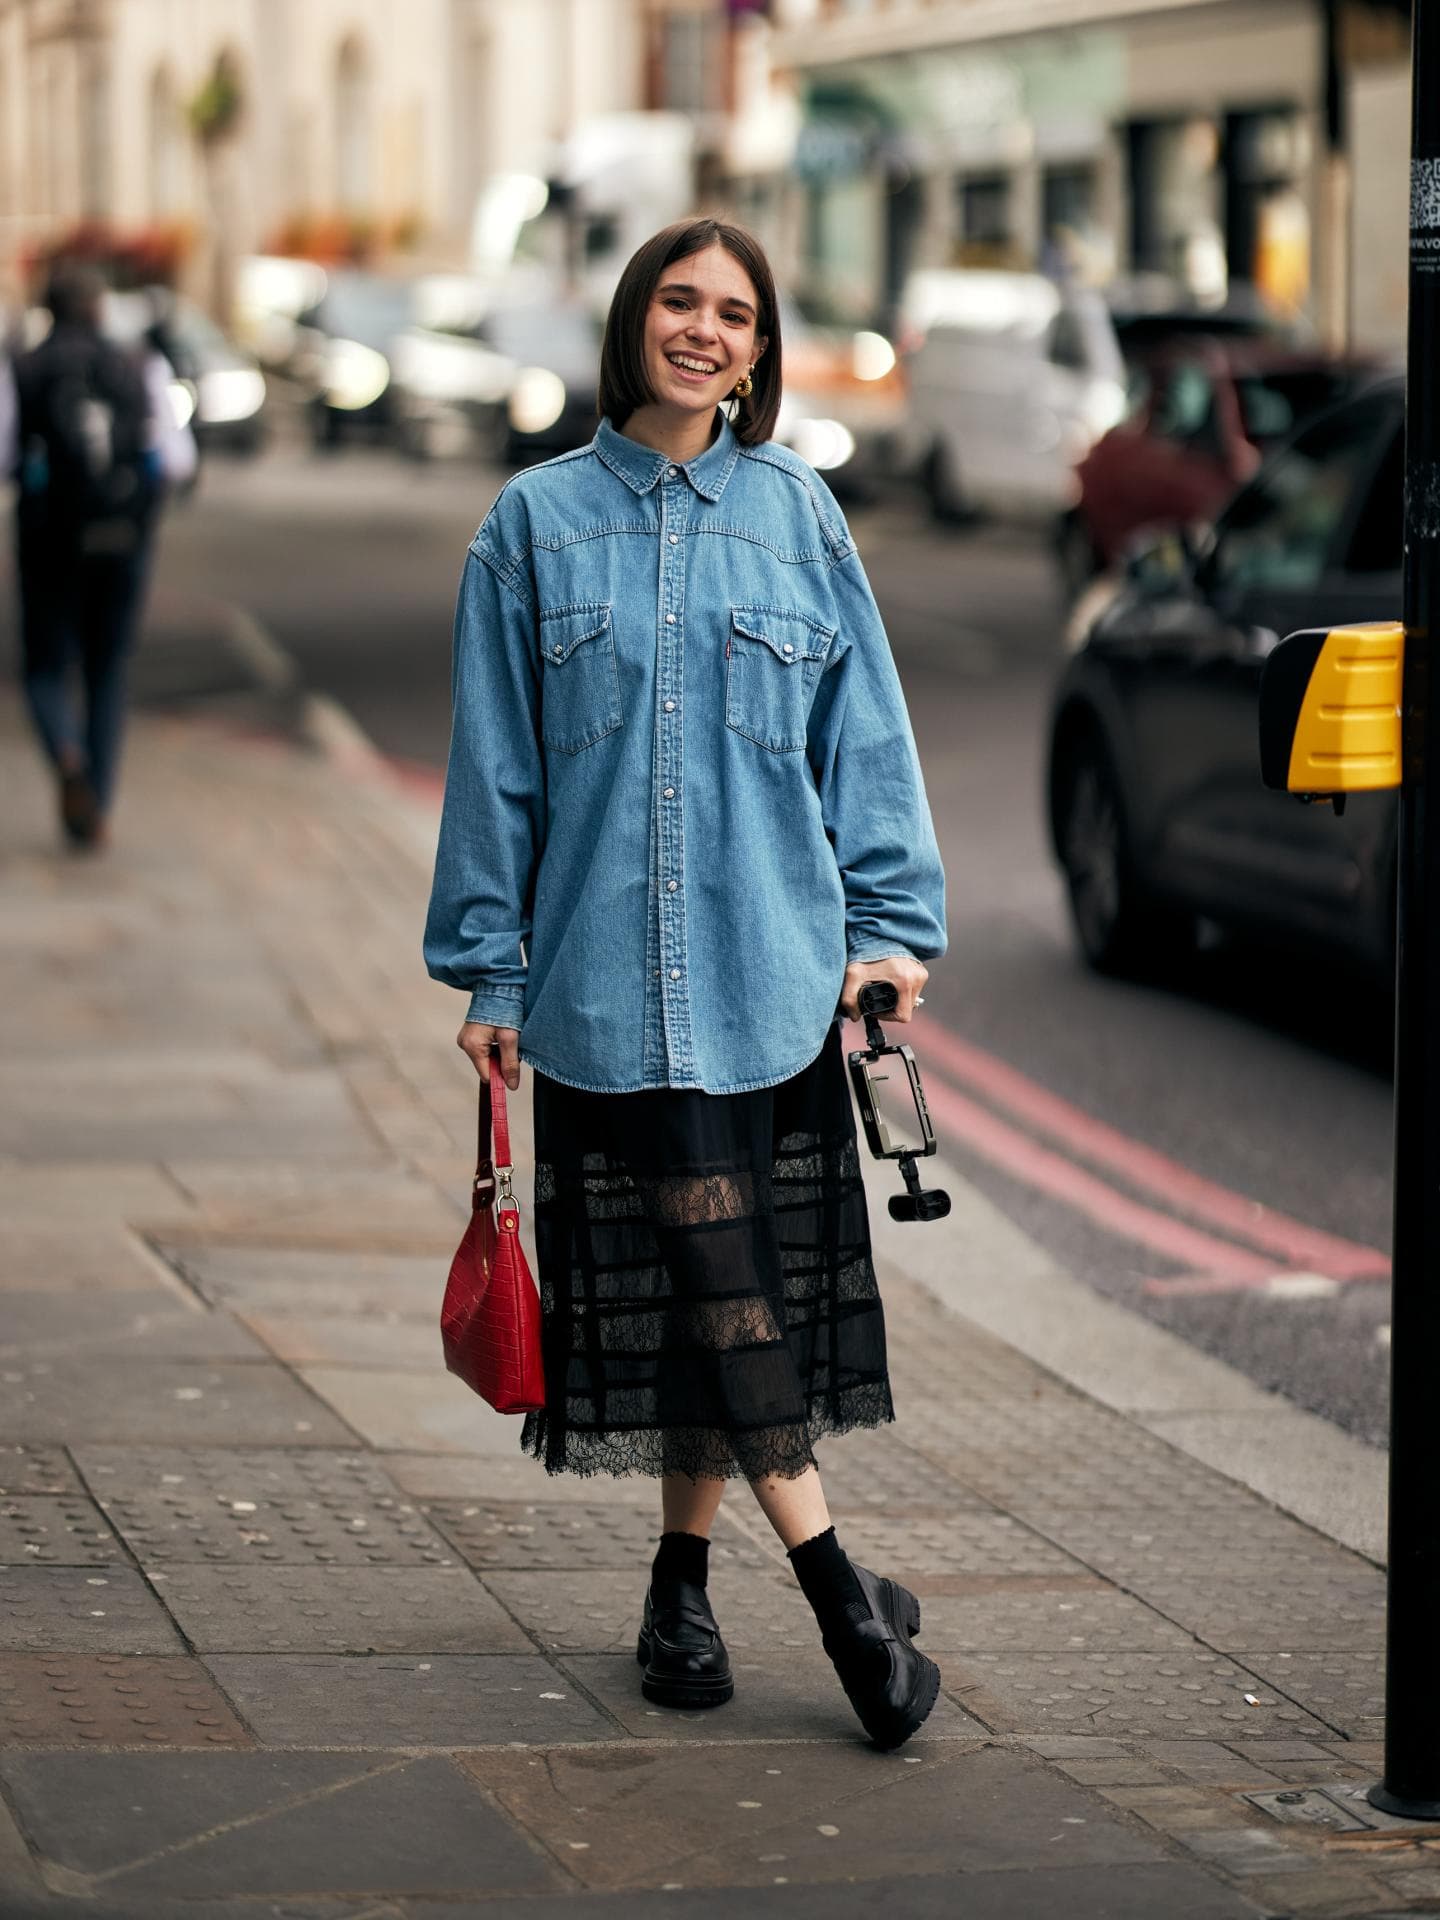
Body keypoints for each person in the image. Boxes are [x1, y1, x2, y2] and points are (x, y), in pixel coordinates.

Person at [425, 219, 947, 1749]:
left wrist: (888, 927)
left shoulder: (802, 516)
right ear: (634, 319)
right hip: (597, 995)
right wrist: (487, 973)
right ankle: (848, 1607)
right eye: (681, 301)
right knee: (719, 1286)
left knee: (722, 1306)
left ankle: (679, 1584)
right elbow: (495, 774)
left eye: (736, 313)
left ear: (761, 349)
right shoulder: (529, 525)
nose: (706, 331)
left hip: (771, 976)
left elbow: (868, 743)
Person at [9, 263, 168, 848]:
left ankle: (67, 757)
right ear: (100, 307)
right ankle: (96, 804)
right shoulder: (137, 364)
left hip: (49, 540)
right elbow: (173, 458)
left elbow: (5, 453)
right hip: (121, 539)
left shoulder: (24, 366)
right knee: (107, 668)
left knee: (46, 666)